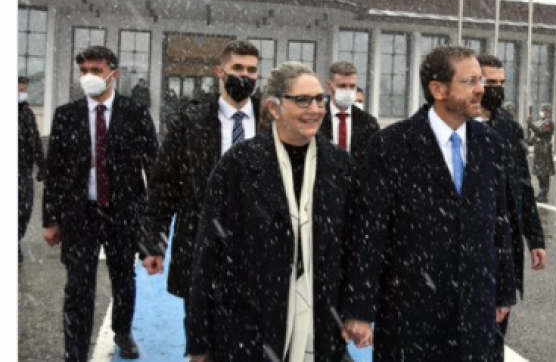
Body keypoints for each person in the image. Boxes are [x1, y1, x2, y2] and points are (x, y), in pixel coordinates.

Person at [342, 46, 516, 361]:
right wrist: (360, 309)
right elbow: (368, 233)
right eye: (470, 81)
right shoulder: (391, 146)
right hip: (411, 314)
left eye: (480, 80)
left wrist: (504, 290)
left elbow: (500, 223)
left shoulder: (491, 145)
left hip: (476, 313)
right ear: (438, 89)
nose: (481, 89)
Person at [186, 62, 354, 362]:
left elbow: (355, 250)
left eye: (319, 99)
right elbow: (208, 254)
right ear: (274, 108)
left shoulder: (341, 167)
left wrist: (357, 311)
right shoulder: (238, 165)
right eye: (302, 100)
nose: (315, 109)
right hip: (248, 326)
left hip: (320, 326)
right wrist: (199, 340)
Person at [139, 40, 261, 354]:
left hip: (259, 245)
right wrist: (154, 241)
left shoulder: (273, 121)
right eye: (237, 68)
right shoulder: (190, 121)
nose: (244, 75)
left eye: (251, 70)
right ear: (220, 71)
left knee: (256, 337)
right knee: (201, 339)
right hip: (201, 241)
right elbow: (164, 184)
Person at [42, 46, 158, 361]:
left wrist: (152, 223)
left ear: (113, 74)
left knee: (123, 279)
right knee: (78, 287)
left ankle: (123, 330)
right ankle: (75, 351)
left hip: (123, 212)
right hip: (80, 214)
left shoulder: (135, 113)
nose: (89, 76)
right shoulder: (66, 115)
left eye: (96, 70)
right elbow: (54, 172)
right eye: (84, 71)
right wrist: (51, 219)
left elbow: (154, 167)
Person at [477, 54, 547, 335]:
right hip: (465, 240)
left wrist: (535, 238)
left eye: (501, 83)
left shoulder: (509, 127)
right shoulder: (456, 124)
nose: (497, 89)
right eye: (490, 82)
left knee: (496, 330)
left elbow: (523, 188)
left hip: (503, 240)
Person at [318, 61, 380, 165]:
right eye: (342, 86)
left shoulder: (368, 122)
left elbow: (374, 159)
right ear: (329, 85)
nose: (348, 91)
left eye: (352, 86)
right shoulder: (317, 118)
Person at [19, 76, 45, 263]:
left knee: (24, 208)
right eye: (19, 90)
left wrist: (41, 165)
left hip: (22, 169)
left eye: (24, 90)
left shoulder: (26, 112)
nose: (22, 93)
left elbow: (35, 139)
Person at [527, 103, 556, 203]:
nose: (542, 112)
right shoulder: (539, 122)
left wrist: (531, 125)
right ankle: (541, 191)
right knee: (539, 173)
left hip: (545, 150)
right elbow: (534, 135)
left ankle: (544, 193)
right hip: (538, 150)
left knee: (544, 173)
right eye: (542, 110)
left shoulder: (549, 123)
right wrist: (530, 137)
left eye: (544, 111)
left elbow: (541, 131)